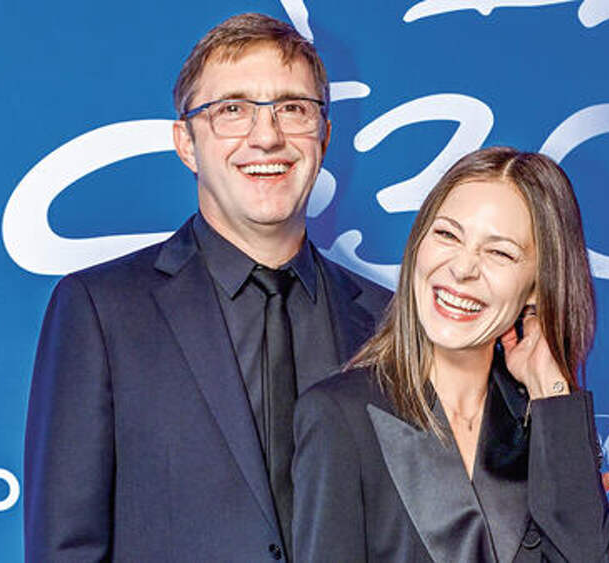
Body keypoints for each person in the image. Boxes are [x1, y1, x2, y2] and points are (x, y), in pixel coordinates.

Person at [23, 13, 391, 561]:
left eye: (292, 108)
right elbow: (65, 548)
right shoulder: (101, 311)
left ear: (324, 135)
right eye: (232, 110)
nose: (266, 137)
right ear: (187, 143)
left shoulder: (387, 321)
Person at [293, 147, 609, 562]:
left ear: (537, 285)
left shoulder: (547, 423)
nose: (462, 268)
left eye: (500, 253)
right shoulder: (339, 415)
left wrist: (552, 389)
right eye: (447, 235)